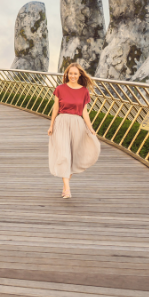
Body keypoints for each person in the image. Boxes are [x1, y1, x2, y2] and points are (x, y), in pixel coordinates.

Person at [48, 63, 101, 198]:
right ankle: (68, 188)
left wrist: (91, 128)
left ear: (79, 75)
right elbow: (55, 108)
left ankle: (65, 186)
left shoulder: (84, 91)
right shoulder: (60, 89)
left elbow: (85, 112)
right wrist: (51, 125)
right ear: (67, 74)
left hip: (77, 124)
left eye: (75, 74)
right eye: (70, 73)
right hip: (62, 123)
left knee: (72, 157)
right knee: (63, 154)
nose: (72, 76)